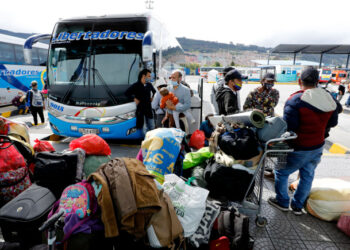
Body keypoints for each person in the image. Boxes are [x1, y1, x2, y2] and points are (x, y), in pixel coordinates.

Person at [268, 67, 339, 215]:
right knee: (307, 175)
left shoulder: (295, 100)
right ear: (317, 81)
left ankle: (282, 201)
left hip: (299, 147)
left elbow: (289, 128)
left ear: (300, 81)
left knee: (281, 172)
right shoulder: (328, 98)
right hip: (318, 146)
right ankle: (298, 206)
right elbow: (333, 122)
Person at [125, 69, 156, 135]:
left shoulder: (149, 85)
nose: (150, 78)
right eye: (149, 76)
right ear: (143, 76)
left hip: (149, 109)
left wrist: (152, 97)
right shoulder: (136, 85)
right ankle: (147, 143)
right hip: (141, 110)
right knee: (144, 128)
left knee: (152, 127)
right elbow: (127, 93)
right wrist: (134, 98)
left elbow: (154, 91)